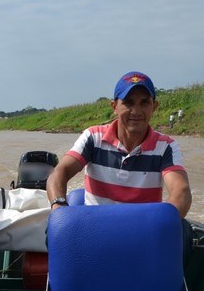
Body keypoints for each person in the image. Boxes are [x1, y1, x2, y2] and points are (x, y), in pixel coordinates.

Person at [47, 71, 192, 218]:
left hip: (144, 229)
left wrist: (163, 223)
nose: (136, 111)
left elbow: (180, 191)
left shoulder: (166, 146)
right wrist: (58, 207)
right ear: (114, 106)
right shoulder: (93, 137)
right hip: (95, 226)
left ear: (154, 107)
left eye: (144, 103)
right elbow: (60, 172)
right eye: (128, 102)